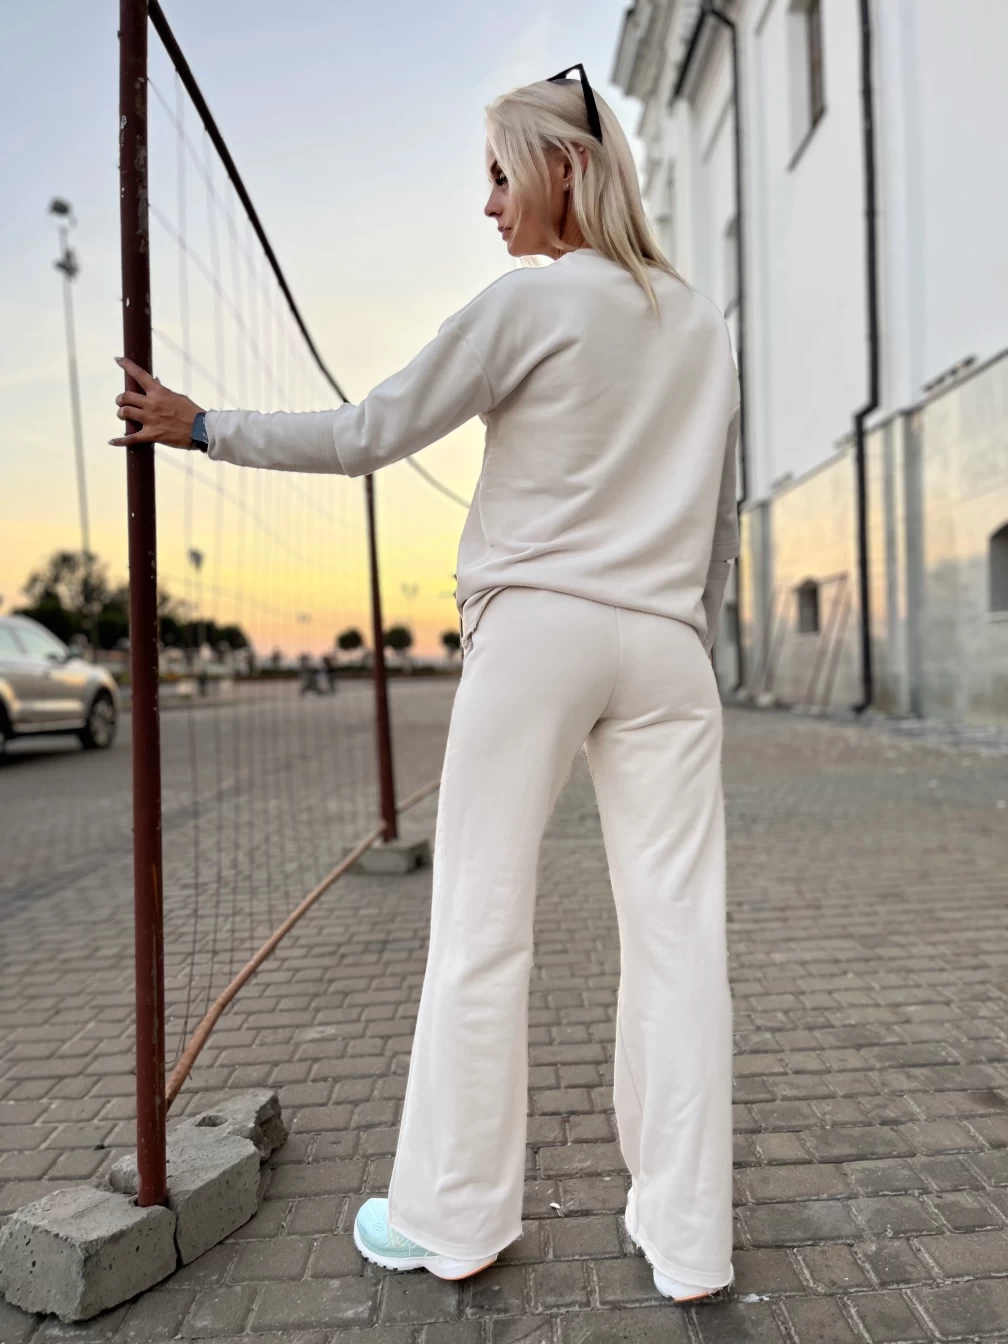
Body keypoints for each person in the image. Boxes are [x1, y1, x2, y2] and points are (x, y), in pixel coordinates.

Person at [111, 66, 739, 1306]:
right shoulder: (701, 322)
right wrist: (688, 633)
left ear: (565, 168)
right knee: (680, 944)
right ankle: (689, 1243)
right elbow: (721, 516)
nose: (489, 204)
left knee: (480, 931)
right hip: (672, 649)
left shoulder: (530, 303)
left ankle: (453, 1220)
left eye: (501, 174)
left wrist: (202, 426)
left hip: (539, 632)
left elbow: (368, 434)